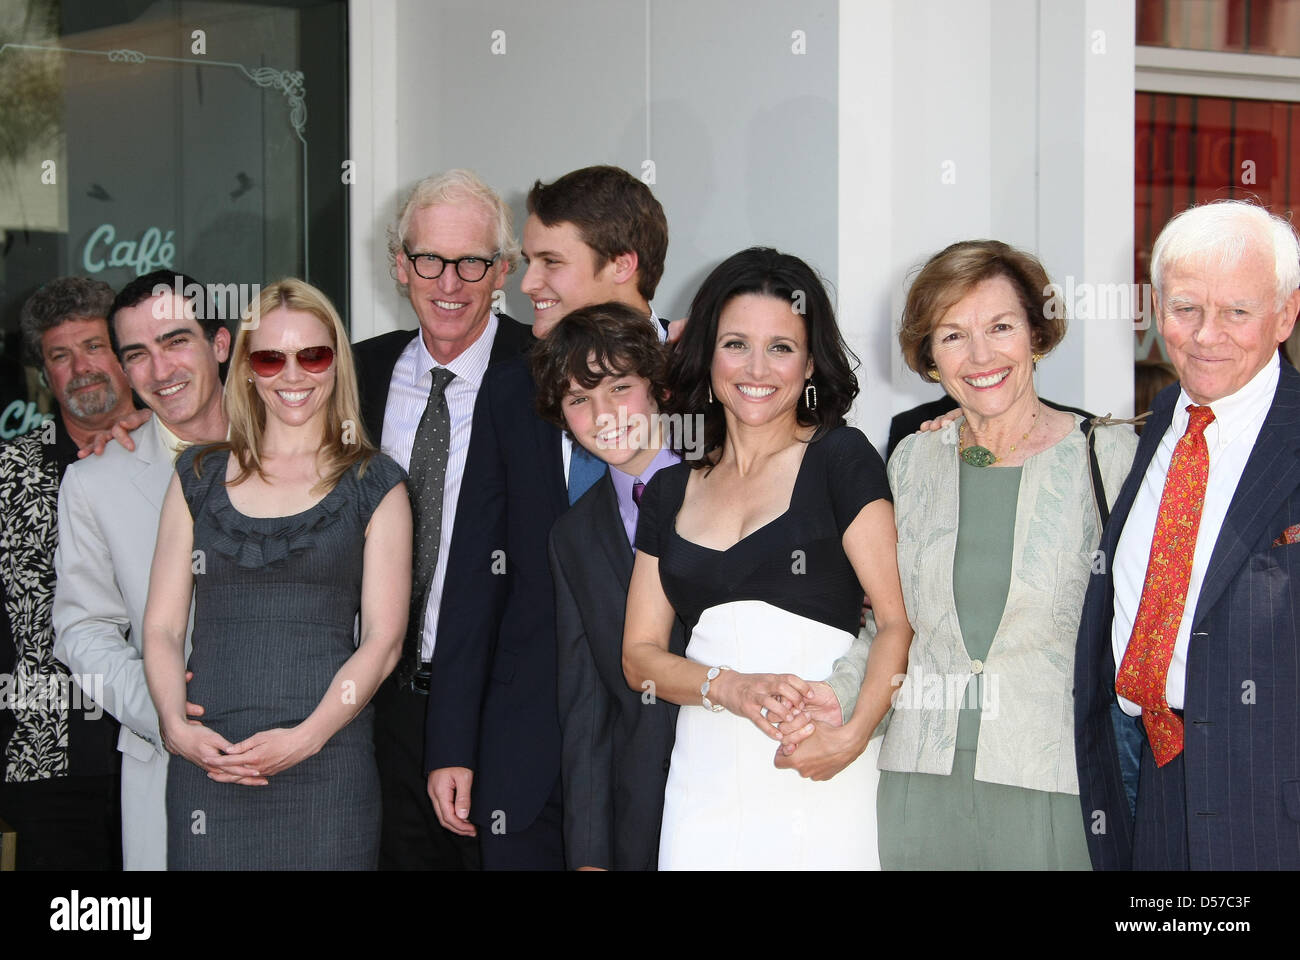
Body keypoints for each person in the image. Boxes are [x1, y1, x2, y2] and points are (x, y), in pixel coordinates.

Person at [622, 247, 910, 869]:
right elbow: (638, 659)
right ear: (706, 353)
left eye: (781, 347)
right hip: (704, 775)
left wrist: (853, 737)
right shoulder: (669, 491)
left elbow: (895, 622)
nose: (757, 368)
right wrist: (728, 687)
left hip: (818, 765)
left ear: (810, 363)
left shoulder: (842, 459)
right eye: (736, 344)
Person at [427, 165, 670, 869]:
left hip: (671, 753)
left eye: (549, 262)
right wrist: (452, 743)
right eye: (527, 261)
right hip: (523, 759)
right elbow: (476, 572)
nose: (525, 282)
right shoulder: (511, 389)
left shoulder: (705, 381)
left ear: (622, 265)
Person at [879, 240, 1138, 870]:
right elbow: (887, 622)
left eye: (1001, 327)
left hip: (1054, 778)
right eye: (953, 335)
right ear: (929, 356)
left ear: (1036, 335)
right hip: (919, 780)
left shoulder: (1110, 456)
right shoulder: (912, 460)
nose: (981, 355)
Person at [143, 278, 410, 870]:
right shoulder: (198, 474)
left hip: (327, 768)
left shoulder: (376, 483)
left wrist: (307, 738)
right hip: (210, 764)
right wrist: (172, 726)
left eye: (312, 355)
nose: (293, 375)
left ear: (337, 362)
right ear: (246, 369)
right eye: (271, 357)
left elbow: (384, 643)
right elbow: (161, 627)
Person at [1075, 200, 1300, 870]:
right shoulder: (1162, 418)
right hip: (1145, 776)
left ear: (1286, 314)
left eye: (1237, 310)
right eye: (1185, 308)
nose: (1206, 335)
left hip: (1269, 807)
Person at [353, 169, 531, 871]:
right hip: (371, 710)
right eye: (429, 259)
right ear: (401, 266)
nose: (449, 282)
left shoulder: (549, 373)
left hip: (499, 709)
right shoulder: (357, 374)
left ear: (503, 272)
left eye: (472, 263)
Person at [53, 270, 230, 870]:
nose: (160, 371)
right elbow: (82, 630)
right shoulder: (91, 482)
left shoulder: (300, 451)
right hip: (165, 764)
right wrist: (160, 707)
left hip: (304, 759)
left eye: (177, 341)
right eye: (137, 354)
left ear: (221, 343)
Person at [531, 302, 683, 871]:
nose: (603, 414)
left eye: (619, 387)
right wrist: (591, 856)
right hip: (643, 812)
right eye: (578, 399)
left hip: (753, 776)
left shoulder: (726, 477)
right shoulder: (572, 536)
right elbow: (586, 708)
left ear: (658, 388)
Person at [0, 277, 134, 869]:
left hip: (167, 747)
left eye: (95, 346)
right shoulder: (10, 475)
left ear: (126, 354)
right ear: (43, 373)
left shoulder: (188, 455)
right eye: (60, 355)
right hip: (44, 760)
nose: (81, 368)